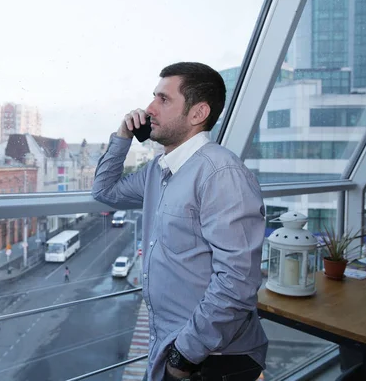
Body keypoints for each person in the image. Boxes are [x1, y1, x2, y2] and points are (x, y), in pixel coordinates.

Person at [92, 62, 267, 381]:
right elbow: (105, 191)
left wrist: (183, 356)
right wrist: (123, 136)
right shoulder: (158, 170)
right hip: (173, 347)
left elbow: (237, 281)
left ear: (198, 113)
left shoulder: (220, 174)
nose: (148, 109)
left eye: (163, 99)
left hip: (210, 358)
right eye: (153, 98)